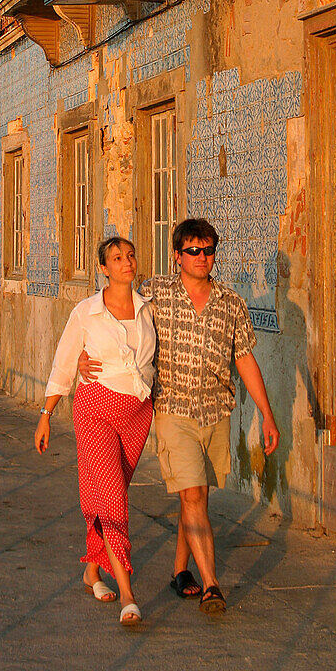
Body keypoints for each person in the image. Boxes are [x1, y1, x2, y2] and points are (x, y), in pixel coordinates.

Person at [81, 218, 279, 616]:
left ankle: (178, 571)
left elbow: (244, 358)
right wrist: (87, 355)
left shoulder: (231, 303)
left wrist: (267, 414)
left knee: (199, 495)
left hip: (216, 410)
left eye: (208, 251)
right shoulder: (155, 295)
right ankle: (212, 585)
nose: (202, 257)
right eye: (193, 251)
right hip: (172, 408)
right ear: (177, 256)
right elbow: (114, 315)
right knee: (191, 494)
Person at [34, 237, 156, 627]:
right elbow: (65, 361)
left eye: (130, 255)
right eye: (117, 258)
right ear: (103, 268)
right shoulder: (86, 312)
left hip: (137, 413)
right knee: (114, 499)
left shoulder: (147, 309)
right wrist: (46, 414)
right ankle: (128, 594)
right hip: (95, 410)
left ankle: (92, 571)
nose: (127, 263)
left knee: (110, 494)